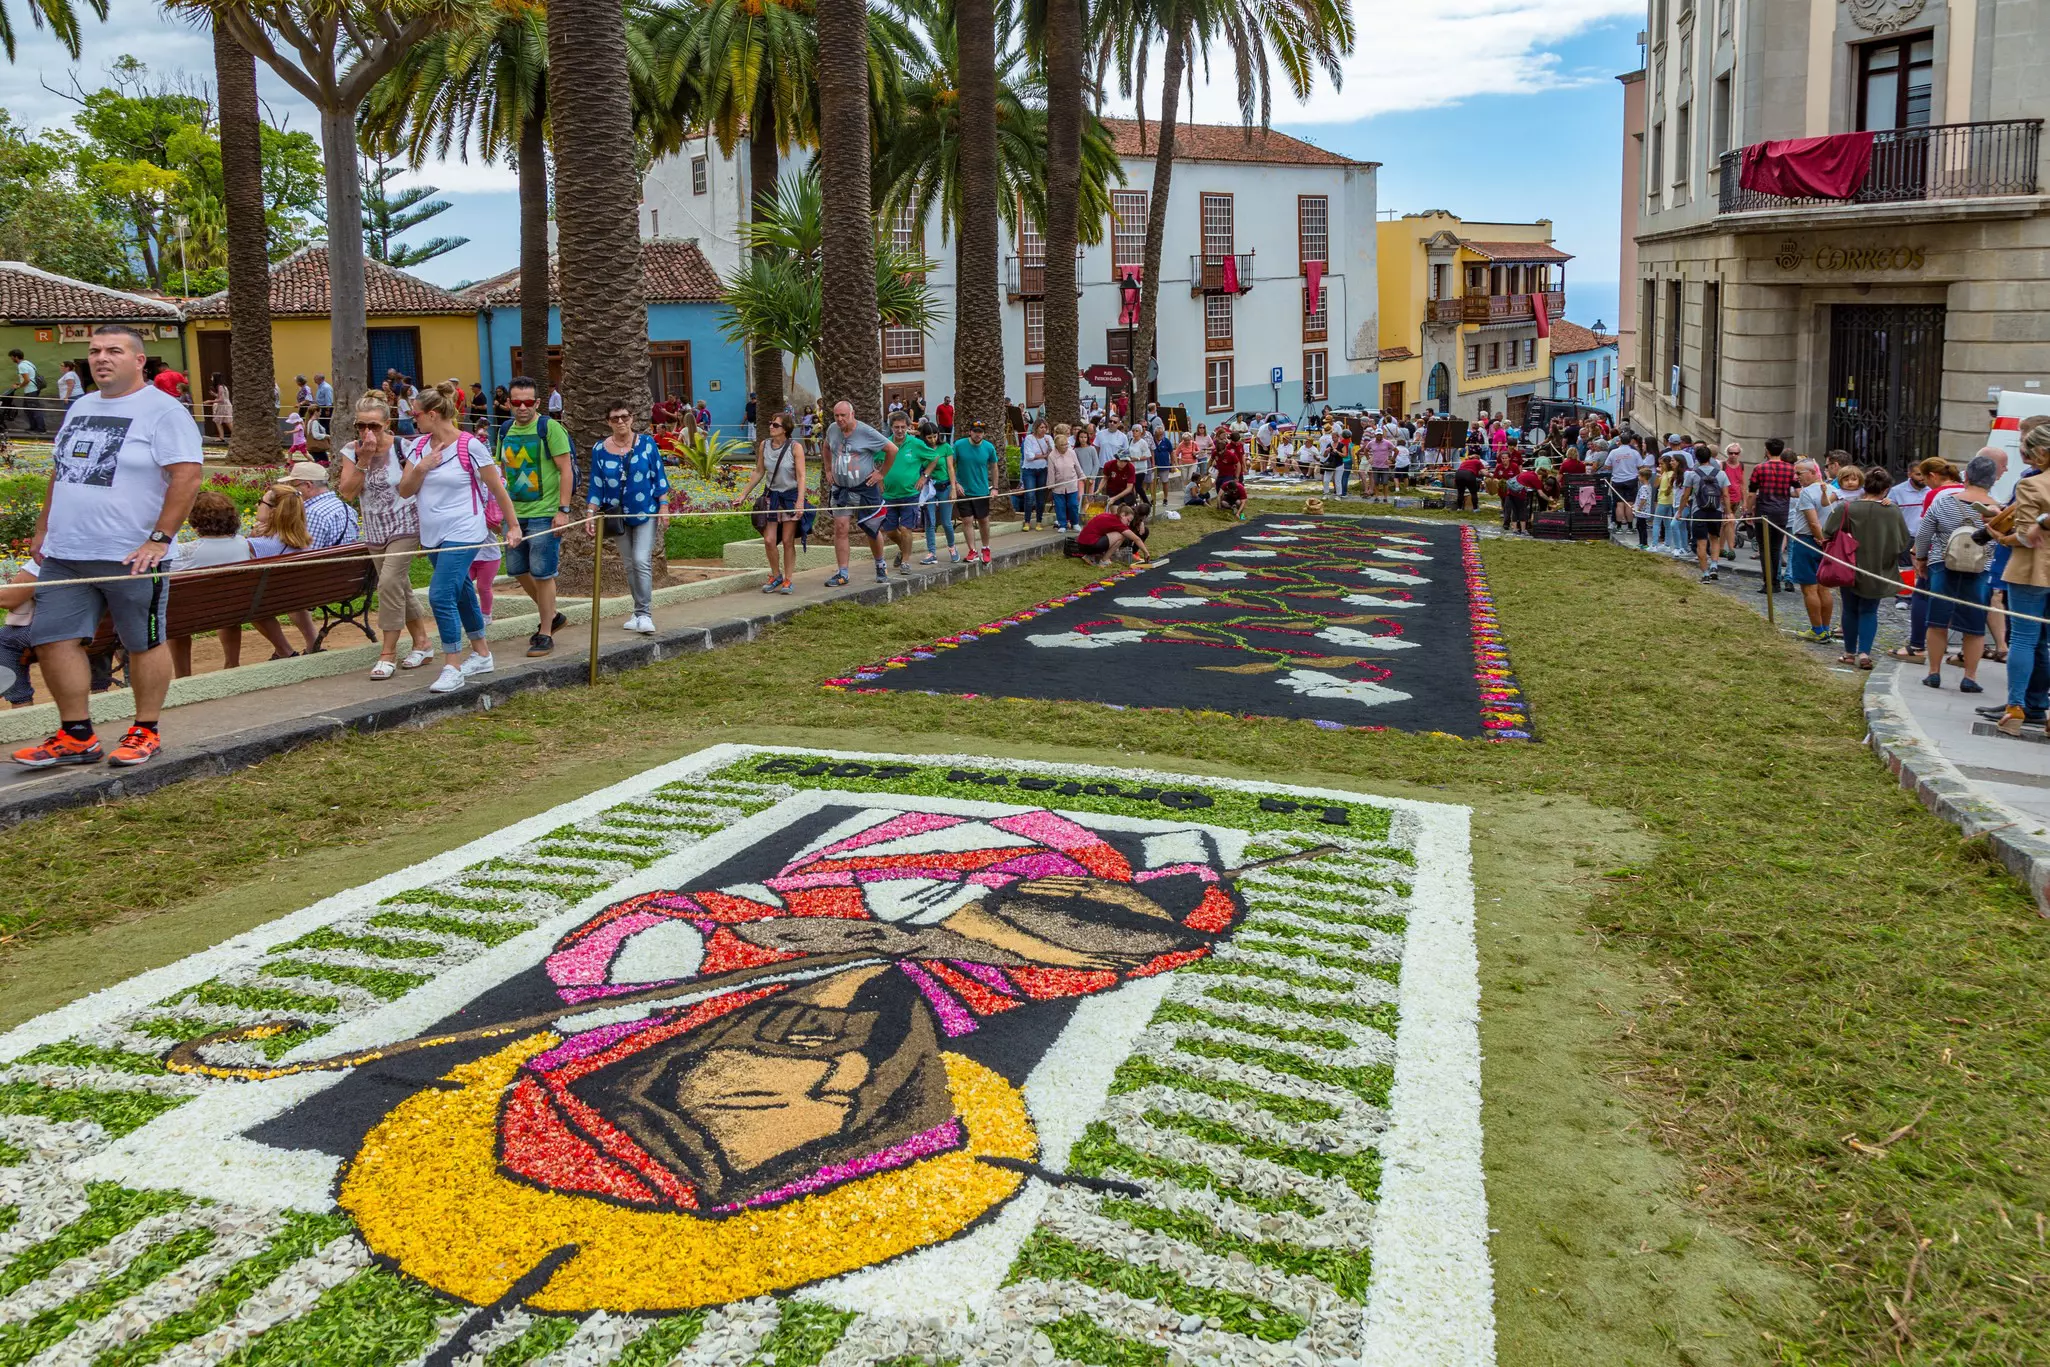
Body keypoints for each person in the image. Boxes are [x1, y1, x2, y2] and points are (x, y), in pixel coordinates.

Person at [13, 326, 203, 768]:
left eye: (114, 351)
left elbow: (187, 476)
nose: (102, 358)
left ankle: (146, 730)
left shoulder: (163, 410)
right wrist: (43, 529)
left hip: (131, 554)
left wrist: (158, 540)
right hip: (66, 552)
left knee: (143, 641)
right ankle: (76, 734)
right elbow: (61, 473)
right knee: (53, 639)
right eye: (95, 351)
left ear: (139, 360)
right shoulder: (81, 405)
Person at [398, 381, 521, 694]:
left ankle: (452, 664)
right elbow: (405, 490)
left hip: (465, 528)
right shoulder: (418, 447)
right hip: (433, 533)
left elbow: (497, 488)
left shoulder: (470, 445)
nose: (414, 420)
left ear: (435, 414)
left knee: (441, 594)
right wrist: (422, 467)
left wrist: (513, 525)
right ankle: (482, 654)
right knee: (463, 589)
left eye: (417, 415)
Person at [337, 394, 433, 679]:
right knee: (399, 587)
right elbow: (347, 492)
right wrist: (364, 458)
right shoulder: (351, 450)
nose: (368, 432)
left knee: (388, 583)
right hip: (375, 529)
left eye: (375, 426)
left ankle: (388, 652)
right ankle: (423, 643)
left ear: (387, 424)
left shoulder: (404, 447)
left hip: (404, 524)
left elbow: (411, 487)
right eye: (361, 425)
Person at [494, 375, 575, 657]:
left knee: (543, 573)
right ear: (509, 403)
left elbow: (566, 470)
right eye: (517, 402)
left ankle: (545, 632)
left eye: (528, 402)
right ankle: (552, 615)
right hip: (515, 514)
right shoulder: (505, 430)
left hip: (545, 511)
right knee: (517, 569)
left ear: (538, 402)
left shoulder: (550, 428)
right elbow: (502, 470)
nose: (523, 407)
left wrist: (563, 510)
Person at [1915, 452, 2004, 693]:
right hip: (1979, 568)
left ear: (1967, 477)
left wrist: (1921, 559)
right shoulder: (1996, 509)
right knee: (1974, 626)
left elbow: (1924, 534)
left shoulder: (1944, 502)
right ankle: (1970, 677)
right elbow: (1999, 541)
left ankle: (1934, 673)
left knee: (1937, 622)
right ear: (1992, 480)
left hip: (1943, 564)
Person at [587, 400, 670, 631]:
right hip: (617, 516)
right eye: (615, 418)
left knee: (642, 559)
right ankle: (637, 612)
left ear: (632, 418)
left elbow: (659, 477)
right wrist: (590, 513)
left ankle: (645, 614)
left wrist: (664, 507)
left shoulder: (646, 444)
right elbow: (596, 485)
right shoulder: (599, 450)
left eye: (624, 416)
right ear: (608, 422)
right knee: (630, 564)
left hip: (646, 512)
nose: (621, 421)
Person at [1820, 467, 1912, 670]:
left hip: (1849, 565)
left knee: (1850, 610)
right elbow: (1903, 541)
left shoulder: (1847, 508)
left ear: (1865, 485)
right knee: (1869, 611)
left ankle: (1849, 653)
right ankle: (1864, 653)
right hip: (1878, 567)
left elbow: (1827, 532)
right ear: (1886, 489)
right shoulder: (1893, 510)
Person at [1992, 423, 2050, 736]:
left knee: (2025, 639)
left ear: (2041, 453)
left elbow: (2027, 537)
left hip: (2031, 570)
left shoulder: (2032, 484)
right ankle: (2042, 708)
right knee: (2044, 642)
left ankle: (2015, 708)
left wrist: (2000, 538)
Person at [820, 400, 897, 586]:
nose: (839, 419)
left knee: (872, 528)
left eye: (843, 416)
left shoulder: (866, 432)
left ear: (852, 414)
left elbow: (892, 449)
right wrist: (828, 469)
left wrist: (881, 474)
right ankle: (843, 573)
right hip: (841, 489)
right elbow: (826, 446)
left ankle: (880, 565)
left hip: (865, 488)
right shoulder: (832, 429)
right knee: (840, 528)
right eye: (836, 416)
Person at [750, 411, 807, 593]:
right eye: (771, 423)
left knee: (788, 540)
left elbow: (801, 475)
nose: (771, 427)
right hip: (771, 497)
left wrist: (800, 501)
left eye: (775, 425)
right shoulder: (764, 445)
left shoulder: (795, 447)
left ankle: (788, 579)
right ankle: (776, 575)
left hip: (789, 497)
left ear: (786, 429)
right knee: (769, 540)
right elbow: (759, 472)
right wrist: (743, 494)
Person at [1787, 459, 1838, 643]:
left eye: (1799, 473)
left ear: (1812, 472)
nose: (1796, 477)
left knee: (1810, 588)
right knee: (1824, 589)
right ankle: (1824, 628)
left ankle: (1818, 630)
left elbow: (1813, 521)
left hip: (1809, 541)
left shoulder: (1808, 492)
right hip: (1828, 543)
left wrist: (1821, 539)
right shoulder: (1832, 490)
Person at [879, 413, 932, 574]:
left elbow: (934, 457)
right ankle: (904, 549)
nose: (900, 430)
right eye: (896, 427)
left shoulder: (915, 443)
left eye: (903, 427)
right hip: (889, 495)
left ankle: (906, 562)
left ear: (908, 427)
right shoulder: (885, 444)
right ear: (891, 427)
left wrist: (924, 476)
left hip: (910, 493)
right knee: (890, 530)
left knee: (906, 528)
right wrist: (879, 478)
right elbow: (873, 459)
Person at [1747, 438, 1797, 594]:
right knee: (1776, 549)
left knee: (1764, 549)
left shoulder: (1759, 468)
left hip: (1764, 511)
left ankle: (1768, 582)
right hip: (1781, 512)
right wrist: (1785, 494)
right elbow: (1798, 491)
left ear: (1767, 450)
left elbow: (1751, 493)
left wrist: (1748, 511)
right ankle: (1775, 582)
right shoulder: (1790, 469)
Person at [1678, 445, 1732, 582]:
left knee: (1701, 543)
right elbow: (1725, 495)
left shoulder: (1692, 474)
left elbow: (1685, 495)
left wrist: (1679, 511)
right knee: (1715, 539)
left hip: (1699, 511)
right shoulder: (1721, 474)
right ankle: (1714, 565)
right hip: (1716, 511)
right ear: (1710, 457)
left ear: (1697, 458)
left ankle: (1705, 574)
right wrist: (1729, 512)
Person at [952, 418, 999, 564]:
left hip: (981, 490)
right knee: (967, 520)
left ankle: (986, 547)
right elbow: (950, 465)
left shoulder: (989, 447)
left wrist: (995, 487)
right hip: (964, 491)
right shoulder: (959, 445)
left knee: (983, 520)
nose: (978, 434)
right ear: (970, 432)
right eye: (975, 431)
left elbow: (994, 467)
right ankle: (972, 550)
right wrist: (955, 483)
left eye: (981, 432)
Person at [915, 419, 959, 565]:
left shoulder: (945, 447)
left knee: (946, 522)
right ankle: (931, 552)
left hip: (945, 486)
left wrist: (953, 488)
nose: (933, 440)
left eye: (935, 436)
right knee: (930, 522)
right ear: (924, 437)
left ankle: (952, 547)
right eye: (929, 437)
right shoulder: (921, 448)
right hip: (929, 489)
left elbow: (951, 468)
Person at [1074, 502, 1147, 565]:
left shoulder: (1109, 516)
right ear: (1123, 515)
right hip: (1089, 545)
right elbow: (1136, 539)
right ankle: (1104, 560)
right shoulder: (1118, 523)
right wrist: (1146, 552)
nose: (1128, 524)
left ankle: (1090, 556)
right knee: (1121, 536)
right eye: (1128, 520)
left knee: (1117, 535)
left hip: (1081, 544)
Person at [1046, 425, 1085, 533]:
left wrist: (1082, 476)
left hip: (1072, 484)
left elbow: (1077, 466)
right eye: (1062, 445)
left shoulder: (1071, 452)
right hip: (1058, 486)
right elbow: (1051, 472)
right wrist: (1051, 484)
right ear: (1057, 446)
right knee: (1060, 506)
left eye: (1066, 444)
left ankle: (1075, 523)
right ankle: (1062, 524)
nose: (1065, 447)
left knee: (1073, 504)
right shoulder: (1052, 456)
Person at [1018, 419, 1052, 530]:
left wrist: (1047, 449)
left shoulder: (1048, 438)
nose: (1043, 430)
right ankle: (1027, 521)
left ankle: (1039, 521)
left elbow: (1052, 453)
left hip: (1043, 469)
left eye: (1045, 428)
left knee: (1040, 496)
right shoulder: (1029, 438)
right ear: (1036, 428)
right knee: (1030, 495)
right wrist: (1043, 456)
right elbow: (1029, 456)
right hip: (1029, 470)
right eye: (1041, 427)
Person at [6, 349, 46, 434]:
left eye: (12, 357)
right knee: (28, 409)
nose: (11, 359)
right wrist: (19, 384)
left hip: (30, 390)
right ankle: (33, 427)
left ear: (16, 357)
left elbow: (27, 380)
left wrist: (19, 386)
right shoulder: (28, 363)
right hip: (34, 388)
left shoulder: (21, 366)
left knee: (34, 409)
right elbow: (30, 377)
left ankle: (41, 429)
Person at [1604, 440, 1640, 527]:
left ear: (1620, 442)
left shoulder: (1614, 452)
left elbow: (1607, 466)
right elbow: (1640, 465)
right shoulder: (1634, 452)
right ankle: (1630, 526)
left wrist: (1616, 466)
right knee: (1630, 503)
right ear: (1629, 441)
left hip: (1617, 480)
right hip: (1631, 479)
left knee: (1619, 504)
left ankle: (1619, 526)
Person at [1099, 439, 1138, 512]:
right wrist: (1099, 489)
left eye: (1126, 461)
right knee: (1115, 512)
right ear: (1117, 459)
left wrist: (1115, 498)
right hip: (1112, 491)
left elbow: (1129, 488)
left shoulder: (1131, 468)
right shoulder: (1108, 465)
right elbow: (1105, 478)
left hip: (1126, 492)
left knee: (1127, 513)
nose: (1123, 463)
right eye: (1121, 460)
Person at [208, 373, 233, 441]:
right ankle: (223, 436)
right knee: (225, 421)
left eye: (212, 377)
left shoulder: (220, 387)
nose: (211, 379)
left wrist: (209, 401)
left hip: (223, 406)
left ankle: (222, 437)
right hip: (226, 405)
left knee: (221, 421)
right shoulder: (223, 386)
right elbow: (223, 397)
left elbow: (221, 400)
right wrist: (214, 394)